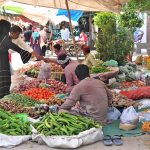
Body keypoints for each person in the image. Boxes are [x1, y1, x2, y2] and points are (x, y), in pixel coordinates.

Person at [0, 20, 31, 98]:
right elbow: (13, 46)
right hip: (2, 62)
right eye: (8, 28)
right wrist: (24, 53)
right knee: (4, 81)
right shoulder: (4, 38)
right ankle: (2, 97)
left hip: (3, 61)